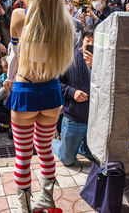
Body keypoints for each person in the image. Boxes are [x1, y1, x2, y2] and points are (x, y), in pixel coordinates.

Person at [4, 0, 74, 212]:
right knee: (45, 151)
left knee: (23, 156)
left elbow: (15, 55)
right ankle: (46, 199)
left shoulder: (19, 16)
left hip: (25, 92)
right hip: (52, 94)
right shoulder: (65, 23)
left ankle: (25, 207)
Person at [52, 25, 95, 166]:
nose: (91, 45)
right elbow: (57, 83)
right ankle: (51, 142)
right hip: (74, 119)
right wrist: (73, 92)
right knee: (67, 159)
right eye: (88, 41)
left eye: (94, 42)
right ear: (82, 40)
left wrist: (95, 66)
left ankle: (81, 146)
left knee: (93, 156)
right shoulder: (70, 59)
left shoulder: (104, 62)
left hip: (95, 122)